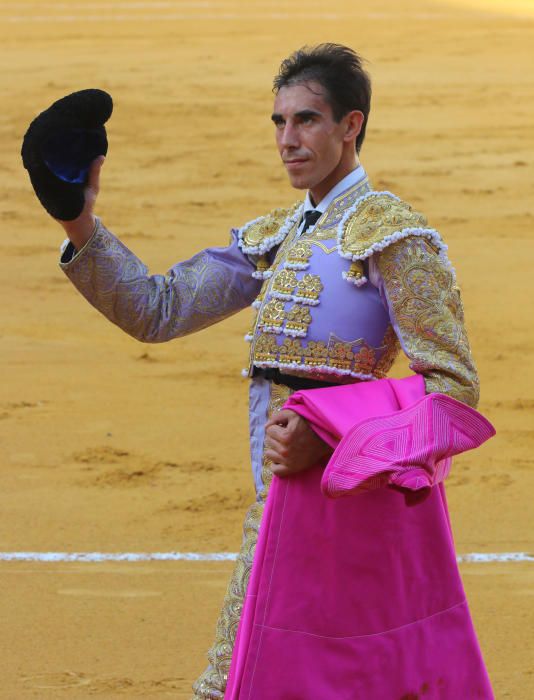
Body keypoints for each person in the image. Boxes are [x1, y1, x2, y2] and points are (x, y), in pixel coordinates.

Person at [53, 44, 482, 698]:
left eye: (306, 120)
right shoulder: (276, 237)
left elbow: (453, 393)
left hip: (351, 509)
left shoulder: (394, 237)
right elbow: (157, 310)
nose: (288, 139)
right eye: (278, 123)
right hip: (279, 508)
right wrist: (79, 220)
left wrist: (333, 435)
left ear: (351, 125)